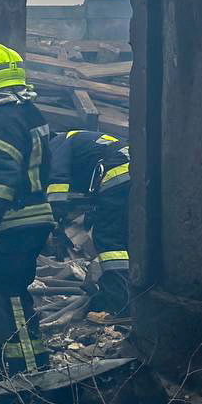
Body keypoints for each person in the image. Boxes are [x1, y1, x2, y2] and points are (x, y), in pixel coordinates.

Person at [0, 43, 56, 382]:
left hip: (15, 221)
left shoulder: (4, 119)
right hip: (17, 221)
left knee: (8, 292)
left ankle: (32, 371)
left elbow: (3, 174)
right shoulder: (23, 113)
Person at [46, 130, 131, 318]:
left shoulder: (56, 144)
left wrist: (54, 219)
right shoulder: (82, 138)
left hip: (116, 176)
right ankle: (134, 293)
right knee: (128, 238)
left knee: (110, 243)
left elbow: (57, 182)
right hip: (137, 174)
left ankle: (119, 303)